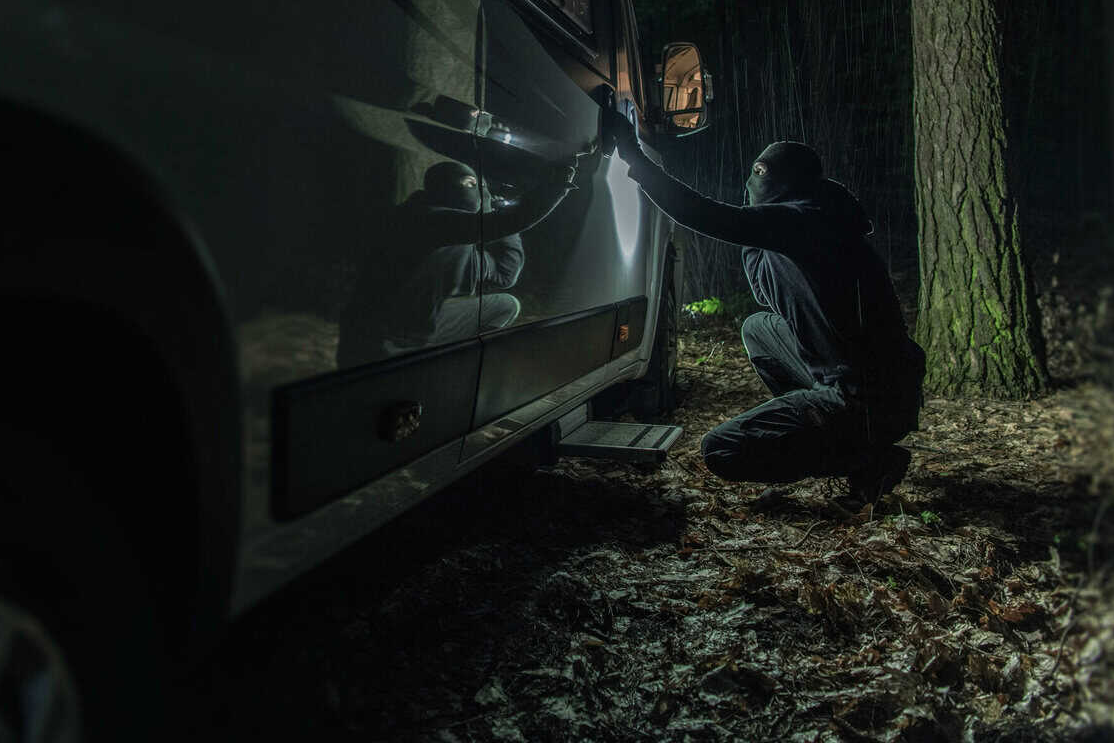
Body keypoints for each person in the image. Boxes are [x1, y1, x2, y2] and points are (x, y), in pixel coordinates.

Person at [605, 111, 924, 507]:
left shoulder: (803, 220)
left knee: (721, 450)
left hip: (863, 398)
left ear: (781, 186)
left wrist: (634, 158)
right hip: (885, 389)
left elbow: (706, 215)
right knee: (760, 328)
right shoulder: (821, 216)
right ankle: (834, 433)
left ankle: (863, 457)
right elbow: (767, 292)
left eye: (760, 181)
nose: (752, 191)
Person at [337, 159, 576, 369]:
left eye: (480, 186)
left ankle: (459, 362)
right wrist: (555, 186)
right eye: (469, 183)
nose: (478, 190)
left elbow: (506, 273)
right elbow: (508, 221)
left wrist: (498, 215)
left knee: (506, 305)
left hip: (418, 333)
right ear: (439, 188)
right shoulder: (421, 219)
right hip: (373, 344)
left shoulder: (462, 243)